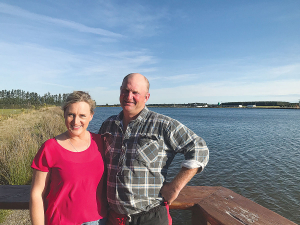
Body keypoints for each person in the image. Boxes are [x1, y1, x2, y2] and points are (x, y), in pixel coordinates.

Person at [99, 73, 209, 225]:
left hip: (150, 217)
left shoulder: (163, 125)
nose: (128, 96)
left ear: (146, 97)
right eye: (125, 90)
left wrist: (175, 187)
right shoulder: (108, 125)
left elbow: (199, 148)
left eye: (135, 92)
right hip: (114, 217)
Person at [30, 91, 108, 225]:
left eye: (82, 115)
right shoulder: (50, 148)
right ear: (64, 114)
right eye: (71, 114)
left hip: (99, 220)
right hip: (61, 221)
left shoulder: (101, 142)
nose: (76, 121)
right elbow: (37, 194)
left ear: (91, 116)